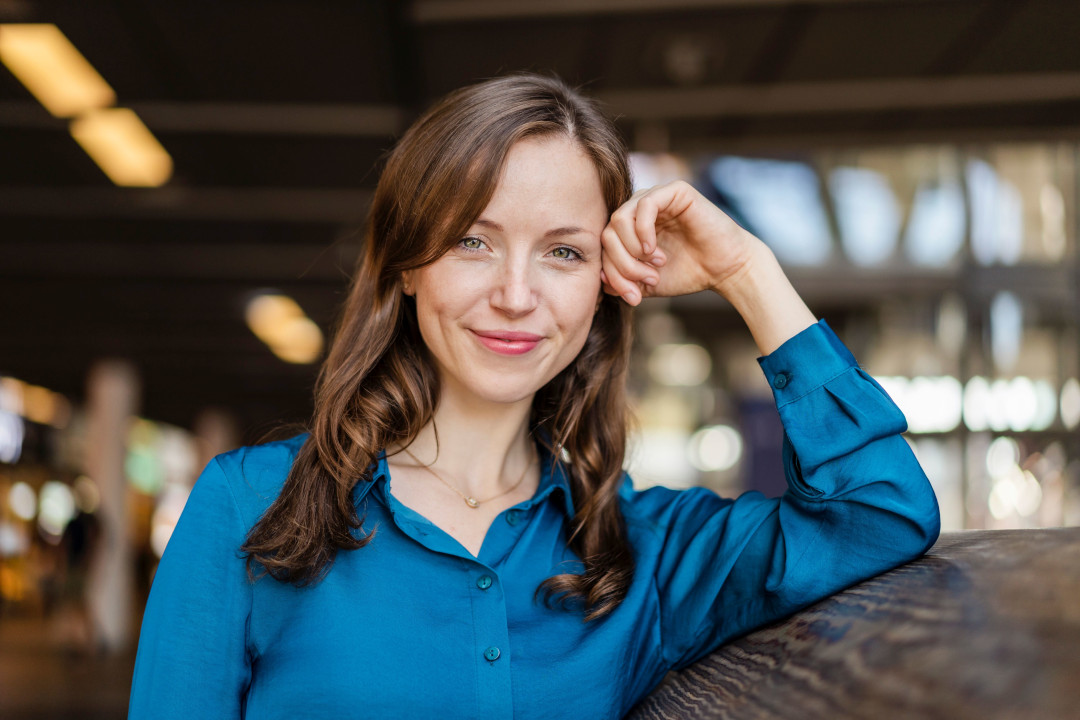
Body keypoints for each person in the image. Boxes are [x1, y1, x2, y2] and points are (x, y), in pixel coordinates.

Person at [127, 73, 940, 719]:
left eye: (562, 252)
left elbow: (882, 510)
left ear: (603, 286)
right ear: (410, 264)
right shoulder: (251, 506)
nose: (517, 295)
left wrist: (746, 273)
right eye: (474, 241)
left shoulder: (641, 553)